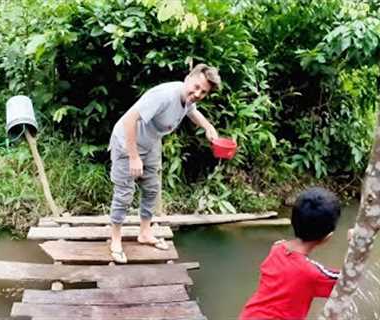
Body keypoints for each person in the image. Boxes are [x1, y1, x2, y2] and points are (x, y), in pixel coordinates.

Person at [108, 64, 221, 263]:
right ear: (188, 78)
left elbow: (192, 112)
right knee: (125, 194)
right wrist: (134, 156)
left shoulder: (187, 98)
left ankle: (144, 233)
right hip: (127, 143)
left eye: (203, 92)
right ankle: (115, 239)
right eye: (196, 87)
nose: (197, 93)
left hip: (151, 143)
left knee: (152, 189)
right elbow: (129, 120)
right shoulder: (164, 95)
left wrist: (208, 126)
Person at [239, 187, 345, 320]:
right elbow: (347, 282)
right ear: (327, 237)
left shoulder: (277, 247)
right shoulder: (311, 274)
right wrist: (355, 245)